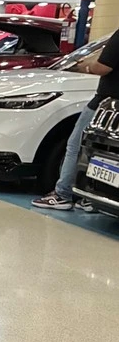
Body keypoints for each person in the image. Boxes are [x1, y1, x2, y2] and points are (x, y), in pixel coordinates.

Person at [32, 32, 119, 211]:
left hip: (105, 104)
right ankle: (92, 196)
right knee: (104, 153)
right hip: (112, 107)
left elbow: (103, 67)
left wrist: (86, 66)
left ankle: (63, 194)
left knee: (76, 146)